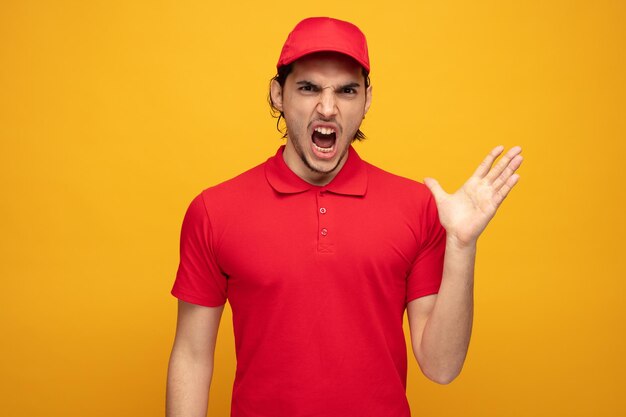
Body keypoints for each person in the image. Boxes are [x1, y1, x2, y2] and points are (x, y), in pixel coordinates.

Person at [166, 17, 522, 417]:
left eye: (347, 91)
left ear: (367, 100)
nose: (328, 107)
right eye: (308, 88)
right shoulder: (215, 210)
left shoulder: (416, 206)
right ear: (278, 94)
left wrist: (461, 246)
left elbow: (441, 367)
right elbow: (193, 356)